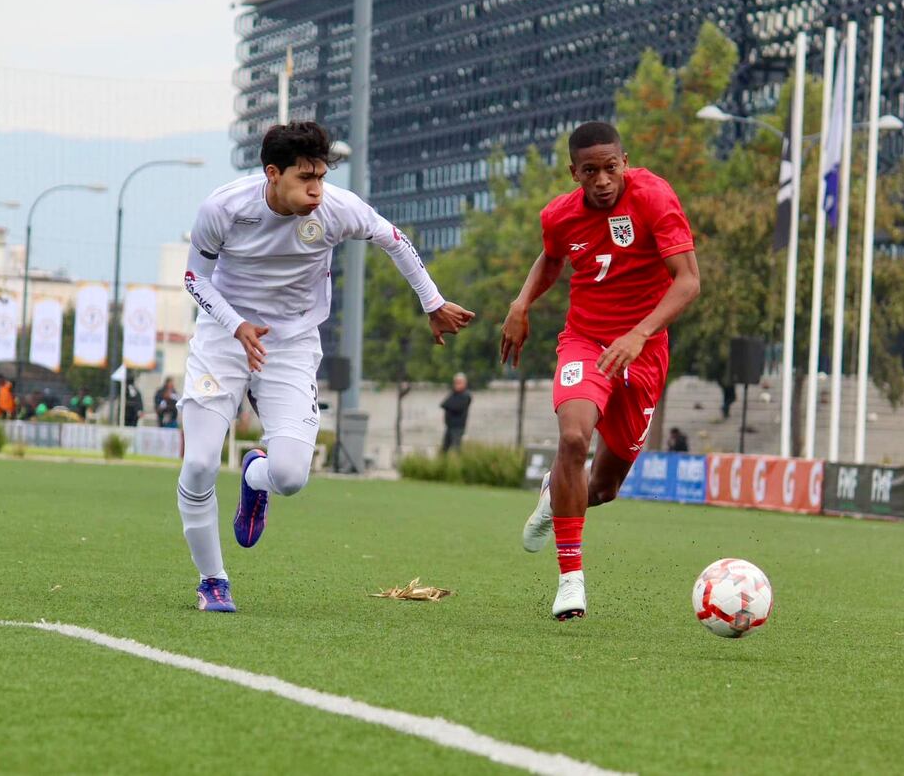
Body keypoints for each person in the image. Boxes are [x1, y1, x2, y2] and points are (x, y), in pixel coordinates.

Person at [176, 120, 473, 612]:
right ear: (273, 174)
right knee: (200, 462)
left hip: (291, 344)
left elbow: (394, 238)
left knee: (291, 476)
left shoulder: (337, 208)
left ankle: (255, 477)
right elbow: (195, 278)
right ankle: (213, 580)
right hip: (223, 338)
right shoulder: (223, 208)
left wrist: (433, 302)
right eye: (305, 177)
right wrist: (236, 324)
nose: (316, 189)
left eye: (320, 176)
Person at [500, 121, 700, 621]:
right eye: (590, 171)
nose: (603, 180)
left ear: (625, 162)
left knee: (604, 489)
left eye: (611, 167)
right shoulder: (560, 215)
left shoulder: (654, 197)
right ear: (575, 173)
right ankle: (571, 580)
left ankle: (554, 497)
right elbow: (552, 258)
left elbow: (688, 281)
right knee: (573, 439)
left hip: (643, 352)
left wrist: (639, 334)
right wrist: (521, 303)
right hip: (585, 342)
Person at [440, 372, 471, 453]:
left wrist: (449, 406)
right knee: (444, 449)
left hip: (458, 427)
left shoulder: (466, 395)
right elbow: (443, 404)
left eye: (459, 383)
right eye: (456, 382)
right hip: (449, 426)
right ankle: (442, 461)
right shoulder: (453, 394)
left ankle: (459, 461)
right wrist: (449, 405)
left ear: (464, 383)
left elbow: (457, 407)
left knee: (456, 448)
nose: (457, 385)